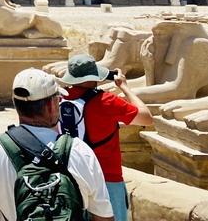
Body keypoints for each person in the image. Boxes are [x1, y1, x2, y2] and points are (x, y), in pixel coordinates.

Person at [0, 68, 114, 221]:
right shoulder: (80, 151)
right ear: (50, 106)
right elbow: (103, 216)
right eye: (58, 98)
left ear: (16, 105)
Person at [58, 54, 153, 221]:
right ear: (96, 76)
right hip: (107, 179)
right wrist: (124, 87)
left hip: (71, 178)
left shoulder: (59, 99)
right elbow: (146, 118)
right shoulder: (106, 101)